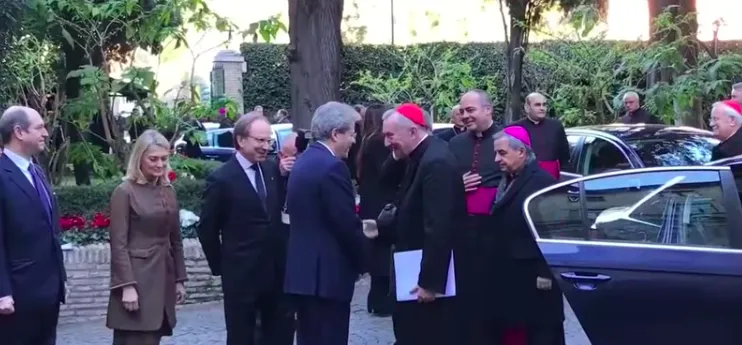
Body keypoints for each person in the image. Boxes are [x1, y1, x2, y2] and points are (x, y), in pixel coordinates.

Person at [197, 112, 295, 345]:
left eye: (268, 140)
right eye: (259, 140)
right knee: (243, 336)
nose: (265, 146)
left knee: (279, 333)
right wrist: (223, 265)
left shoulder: (271, 171)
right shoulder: (221, 179)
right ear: (241, 140)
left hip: (275, 274)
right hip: (241, 276)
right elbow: (207, 228)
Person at [379, 103, 465, 345]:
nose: (387, 143)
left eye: (390, 136)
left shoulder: (435, 162)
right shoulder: (422, 154)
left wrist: (429, 282)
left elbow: (439, 226)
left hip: (424, 277)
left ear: (413, 132)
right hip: (413, 264)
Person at [283, 102, 368, 345]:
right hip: (327, 277)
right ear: (335, 134)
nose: (353, 141)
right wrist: (365, 259)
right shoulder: (332, 167)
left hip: (304, 275)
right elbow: (345, 225)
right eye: (351, 134)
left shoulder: (305, 161)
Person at [477, 126, 564, 345]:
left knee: (538, 334)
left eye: (502, 153)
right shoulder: (509, 178)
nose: (497, 159)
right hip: (511, 276)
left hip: (533, 279)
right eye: (496, 153)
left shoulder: (541, 182)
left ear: (522, 152)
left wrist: (546, 273)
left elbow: (554, 230)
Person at [106, 129, 188, 345]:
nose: (160, 165)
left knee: (153, 337)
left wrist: (180, 279)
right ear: (139, 158)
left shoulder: (168, 190)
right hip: (138, 280)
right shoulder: (124, 192)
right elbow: (118, 244)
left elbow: (176, 240)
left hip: (164, 278)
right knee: (134, 339)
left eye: (164, 158)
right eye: (153, 159)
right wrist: (127, 286)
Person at [0, 106, 66, 345]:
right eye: (39, 127)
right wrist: (2, 292)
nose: (46, 133)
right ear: (19, 132)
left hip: (49, 292)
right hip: (17, 296)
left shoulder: (36, 171)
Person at [448, 89, 502, 344]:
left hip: (495, 230)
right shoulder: (455, 143)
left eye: (471, 110)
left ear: (488, 110)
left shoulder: (505, 139)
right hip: (463, 231)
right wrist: (457, 184)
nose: (465, 116)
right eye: (462, 111)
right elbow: (445, 181)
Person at [356, 104, 395, 316]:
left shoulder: (365, 142)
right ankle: (381, 300)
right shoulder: (379, 142)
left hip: (370, 202)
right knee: (382, 254)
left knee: (376, 251)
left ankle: (376, 298)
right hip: (381, 203)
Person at [510, 92, 570, 179]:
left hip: (551, 179)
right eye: (537, 105)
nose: (542, 108)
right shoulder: (515, 128)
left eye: (544, 105)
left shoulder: (556, 126)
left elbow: (564, 156)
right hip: (524, 179)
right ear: (527, 108)